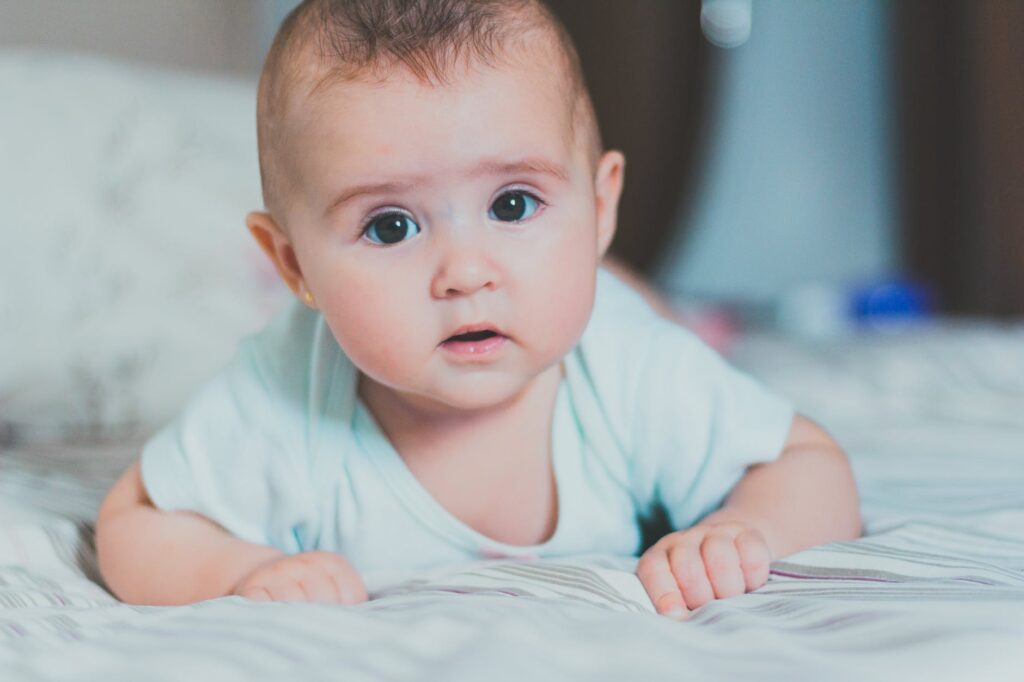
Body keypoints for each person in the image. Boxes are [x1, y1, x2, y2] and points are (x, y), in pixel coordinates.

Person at [95, 0, 861, 621]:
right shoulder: (285, 394)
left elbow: (807, 462)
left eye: (513, 203)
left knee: (641, 317)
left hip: (618, 313)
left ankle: (656, 294)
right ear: (294, 264)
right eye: (391, 225)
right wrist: (243, 570)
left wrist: (745, 530)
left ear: (600, 207)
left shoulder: (627, 369)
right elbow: (134, 522)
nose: (465, 273)